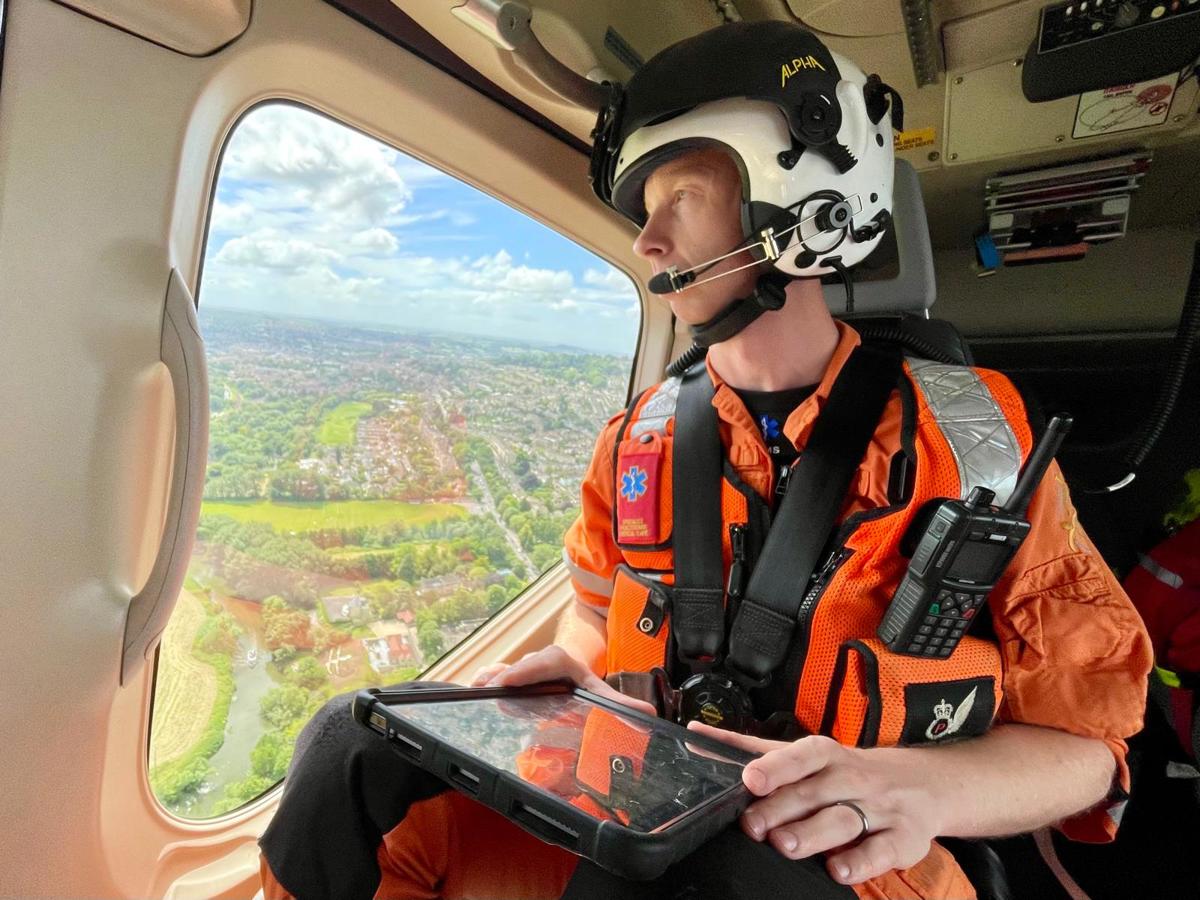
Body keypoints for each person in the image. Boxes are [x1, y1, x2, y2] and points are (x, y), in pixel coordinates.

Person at [258, 21, 1152, 900]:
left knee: (702, 874)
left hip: (845, 856)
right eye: (644, 213)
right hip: (640, 800)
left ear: (802, 201)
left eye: (681, 197)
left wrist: (917, 787)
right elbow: (594, 607)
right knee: (352, 742)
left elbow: (1089, 750)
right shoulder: (637, 436)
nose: (647, 243)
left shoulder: (977, 443)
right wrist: (577, 665)